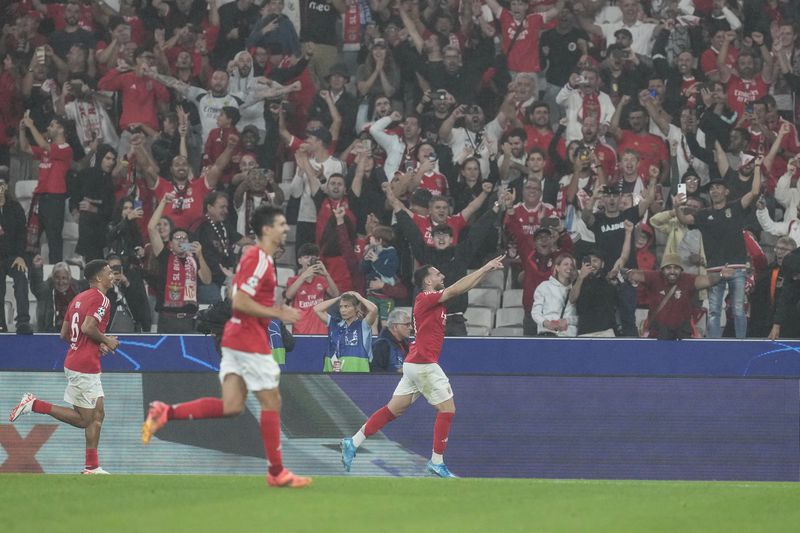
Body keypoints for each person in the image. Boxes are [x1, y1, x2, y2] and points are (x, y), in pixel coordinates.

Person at [142, 205, 311, 488]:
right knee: (272, 401)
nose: (285, 229)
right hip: (247, 339)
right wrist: (278, 313)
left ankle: (166, 412)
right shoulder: (258, 259)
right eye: (281, 224)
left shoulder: (259, 259)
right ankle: (276, 472)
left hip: (236, 338)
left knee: (232, 405)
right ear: (267, 229)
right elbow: (239, 301)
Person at [340, 254, 505, 477]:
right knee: (447, 409)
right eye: (437, 274)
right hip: (424, 364)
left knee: (393, 410)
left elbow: (462, 289)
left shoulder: (433, 298)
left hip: (414, 363)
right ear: (428, 281)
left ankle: (353, 441)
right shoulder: (425, 297)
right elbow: (456, 289)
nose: (442, 275)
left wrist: (486, 271)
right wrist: (484, 265)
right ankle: (437, 461)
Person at [9, 259, 120, 474]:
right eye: (108, 272)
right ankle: (34, 404)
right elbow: (88, 327)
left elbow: (64, 334)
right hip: (84, 366)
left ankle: (92, 467)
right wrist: (106, 341)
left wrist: (93, 345)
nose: (112, 275)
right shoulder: (102, 300)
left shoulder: (77, 298)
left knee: (98, 415)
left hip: (80, 361)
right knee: (84, 420)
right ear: (98, 278)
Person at [626, 254, 736, 340]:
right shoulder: (654, 277)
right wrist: (624, 272)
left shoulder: (688, 280)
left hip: (682, 335)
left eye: (676, 268)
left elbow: (707, 280)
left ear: (681, 270)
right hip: (657, 334)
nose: (672, 271)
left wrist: (721, 275)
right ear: (662, 269)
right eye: (668, 268)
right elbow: (634, 274)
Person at [147, 193, 213, 333]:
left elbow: (207, 280)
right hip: (167, 319)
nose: (181, 240)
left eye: (184, 238)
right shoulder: (165, 255)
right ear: (170, 244)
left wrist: (200, 255)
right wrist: (164, 202)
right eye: (177, 238)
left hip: (190, 319)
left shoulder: (194, 258)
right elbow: (151, 228)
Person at [313, 291, 378, 372]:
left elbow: (374, 310)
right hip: (332, 370)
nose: (343, 310)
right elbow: (317, 309)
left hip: (358, 372)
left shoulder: (363, 325)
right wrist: (339, 297)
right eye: (341, 307)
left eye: (347, 306)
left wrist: (360, 298)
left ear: (356, 308)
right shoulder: (334, 323)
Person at [0, 174, 33, 334]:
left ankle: (23, 322)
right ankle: (1, 324)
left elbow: (22, 235)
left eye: (1, 185)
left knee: (21, 277)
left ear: (6, 187)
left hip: (13, 256)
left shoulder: (15, 208)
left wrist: (21, 256)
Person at [531, 253, 578, 337]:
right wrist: (546, 323)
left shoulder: (576, 289)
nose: (569, 267)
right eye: (565, 264)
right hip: (548, 334)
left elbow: (581, 317)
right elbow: (535, 312)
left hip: (570, 336)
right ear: (557, 267)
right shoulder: (545, 286)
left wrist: (567, 321)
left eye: (572, 265)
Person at [371, 309, 412, 373]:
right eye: (407, 324)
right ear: (395, 327)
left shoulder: (406, 344)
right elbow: (375, 373)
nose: (411, 328)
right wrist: (396, 373)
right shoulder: (381, 345)